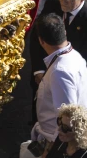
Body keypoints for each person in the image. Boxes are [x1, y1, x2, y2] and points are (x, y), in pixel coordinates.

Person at [31, 13, 87, 149]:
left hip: (56, 144)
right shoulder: (74, 55)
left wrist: (50, 154)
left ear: (41, 41)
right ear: (65, 32)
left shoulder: (59, 72)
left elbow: (68, 120)